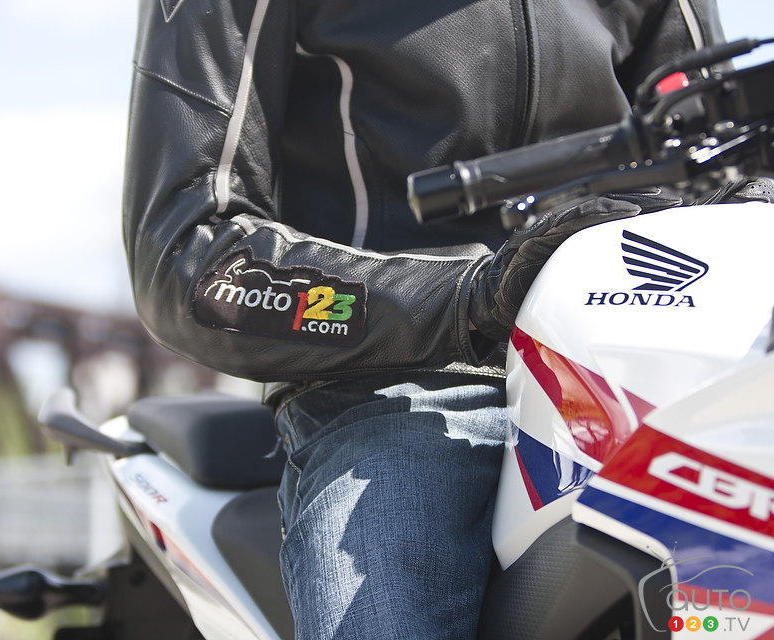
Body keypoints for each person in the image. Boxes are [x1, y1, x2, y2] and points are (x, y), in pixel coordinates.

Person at [122, 1, 728, 637]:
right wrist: (467, 297)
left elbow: (713, 154)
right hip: (399, 381)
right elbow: (190, 257)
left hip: (634, 355)